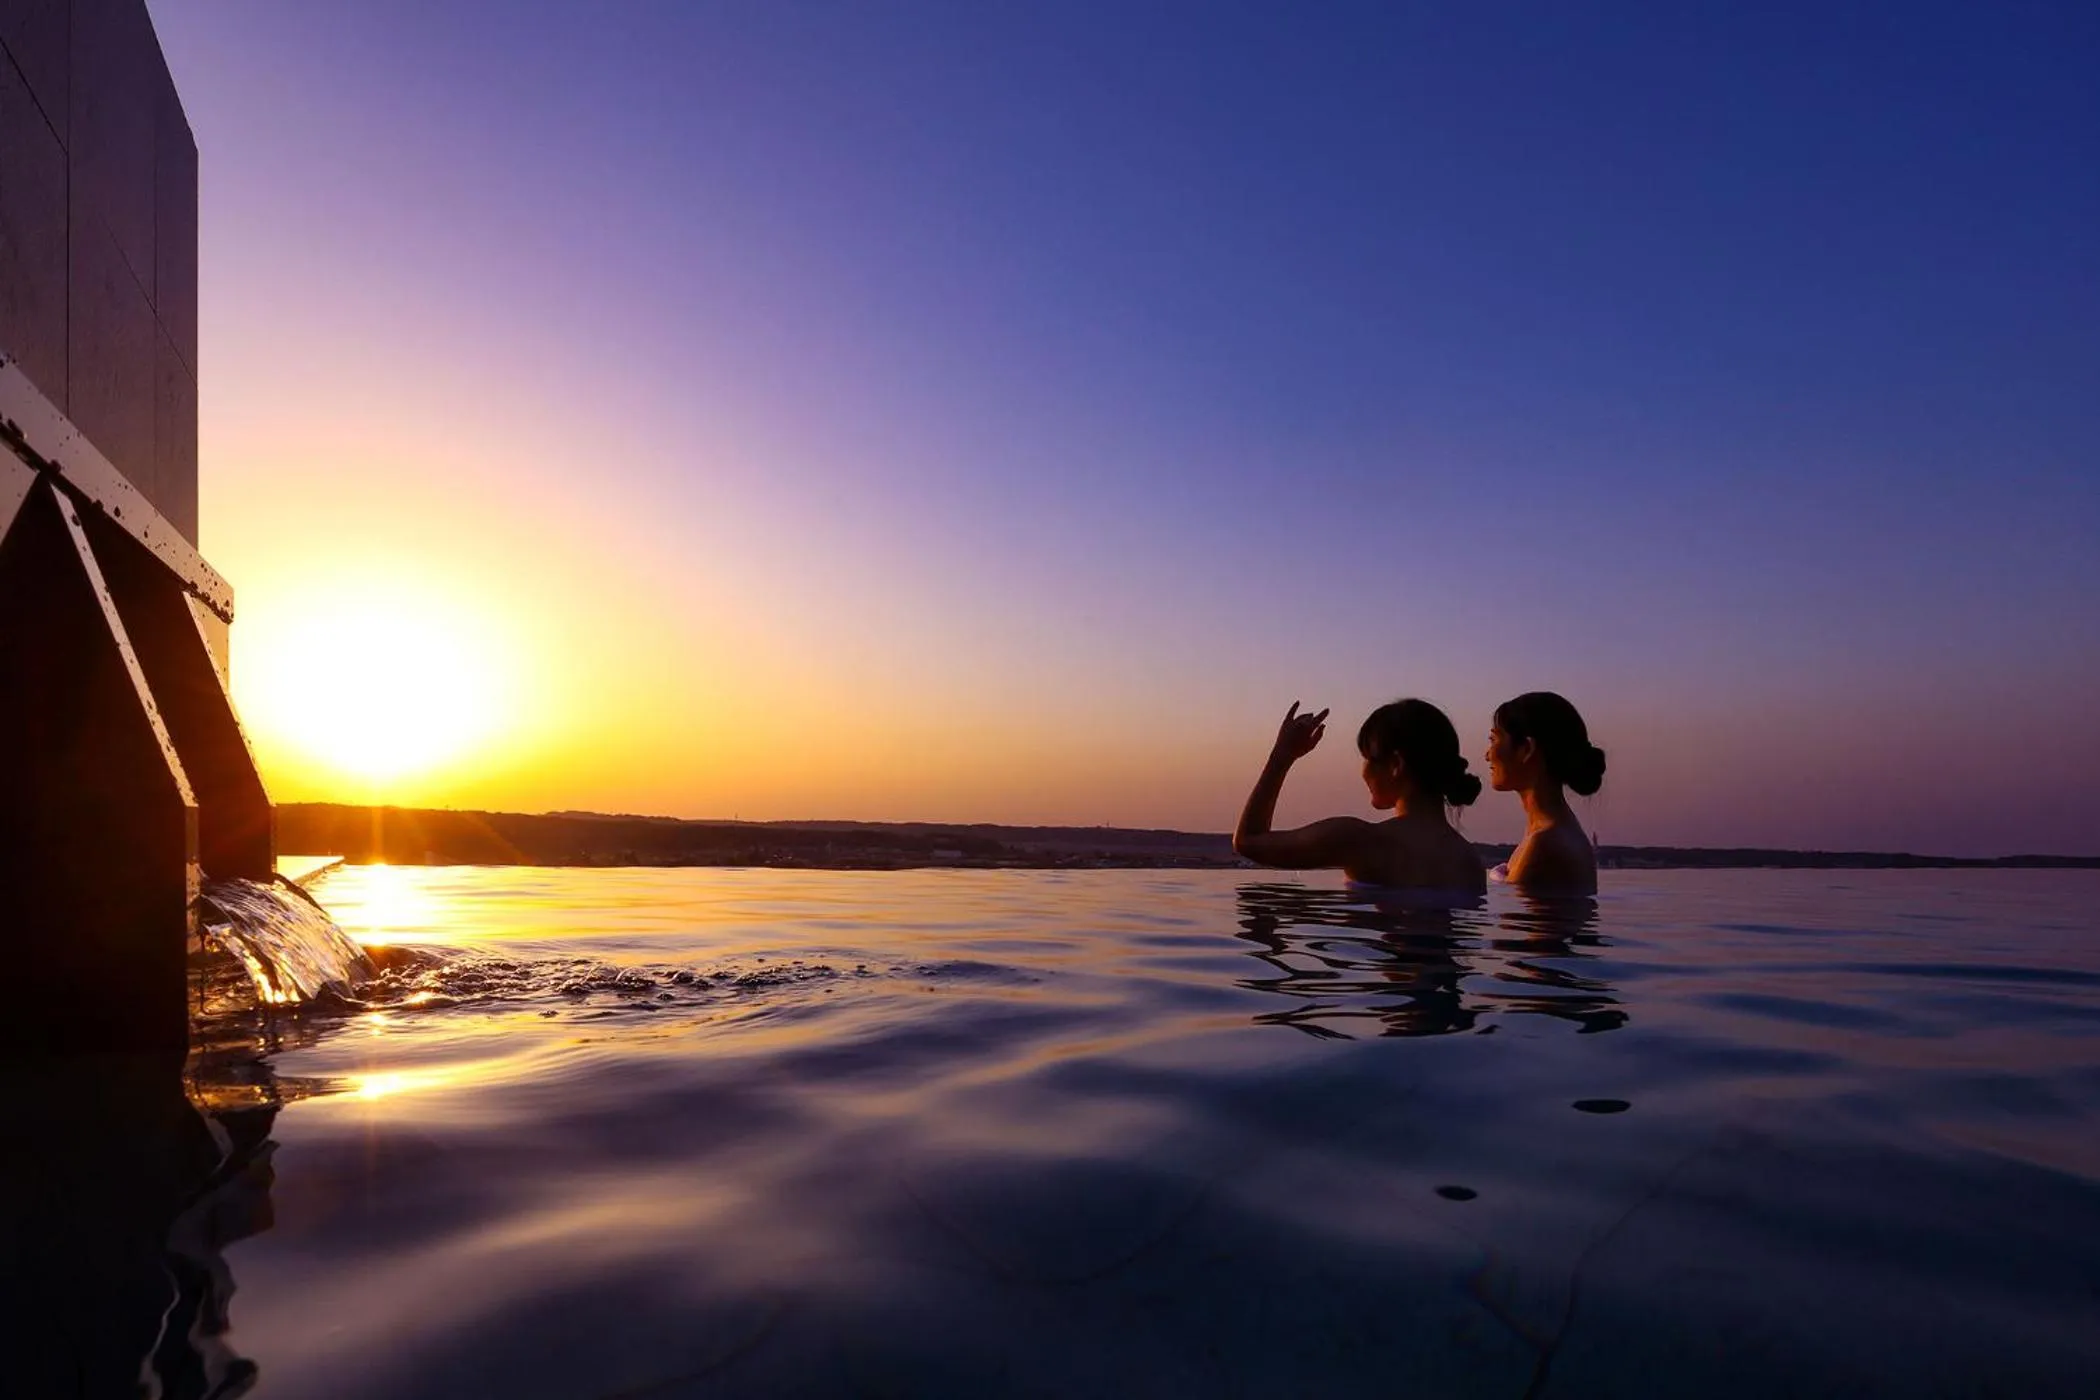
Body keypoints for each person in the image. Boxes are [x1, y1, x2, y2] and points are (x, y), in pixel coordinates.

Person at [1233, 699, 1487, 893]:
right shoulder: (1471, 863)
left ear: (1396, 765)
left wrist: (1282, 756)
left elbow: (1248, 841)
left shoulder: (1359, 841)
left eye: (1367, 758)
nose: (1362, 770)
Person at [1484, 691, 1606, 894]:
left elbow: (1517, 924)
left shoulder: (1543, 844)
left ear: (1527, 749)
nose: (1487, 755)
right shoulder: (1550, 834)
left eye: (1494, 739)